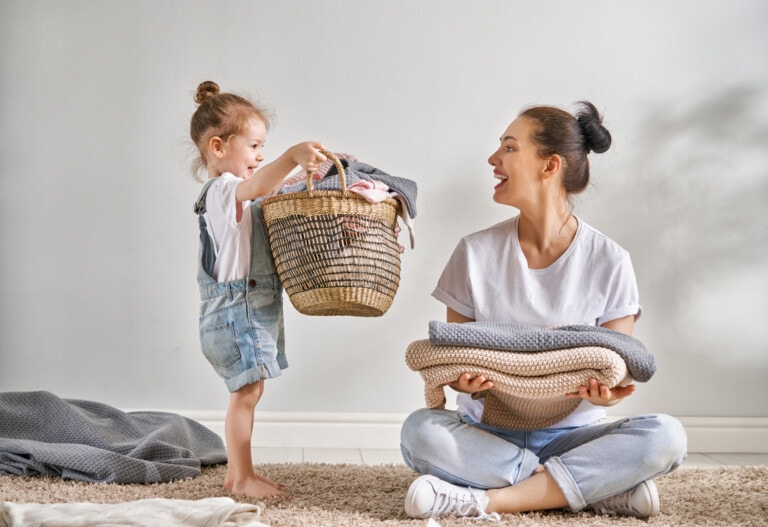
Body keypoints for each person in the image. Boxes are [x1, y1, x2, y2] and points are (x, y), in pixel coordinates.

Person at [400, 101, 687, 520]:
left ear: (549, 166)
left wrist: (610, 392)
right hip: (488, 434)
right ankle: (590, 490)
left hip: (575, 435)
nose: (493, 159)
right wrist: (463, 384)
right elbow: (455, 356)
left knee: (666, 436)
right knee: (418, 431)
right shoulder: (474, 252)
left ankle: (488, 499)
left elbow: (617, 363)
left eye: (510, 148)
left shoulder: (609, 259)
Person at [189, 81, 326, 499]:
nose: (261, 154)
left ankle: (236, 474)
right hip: (235, 312)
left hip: (248, 308)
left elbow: (263, 194)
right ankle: (244, 476)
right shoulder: (221, 191)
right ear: (218, 146)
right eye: (254, 145)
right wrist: (290, 157)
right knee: (245, 393)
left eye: (264, 146)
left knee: (250, 390)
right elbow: (259, 185)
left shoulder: (238, 198)